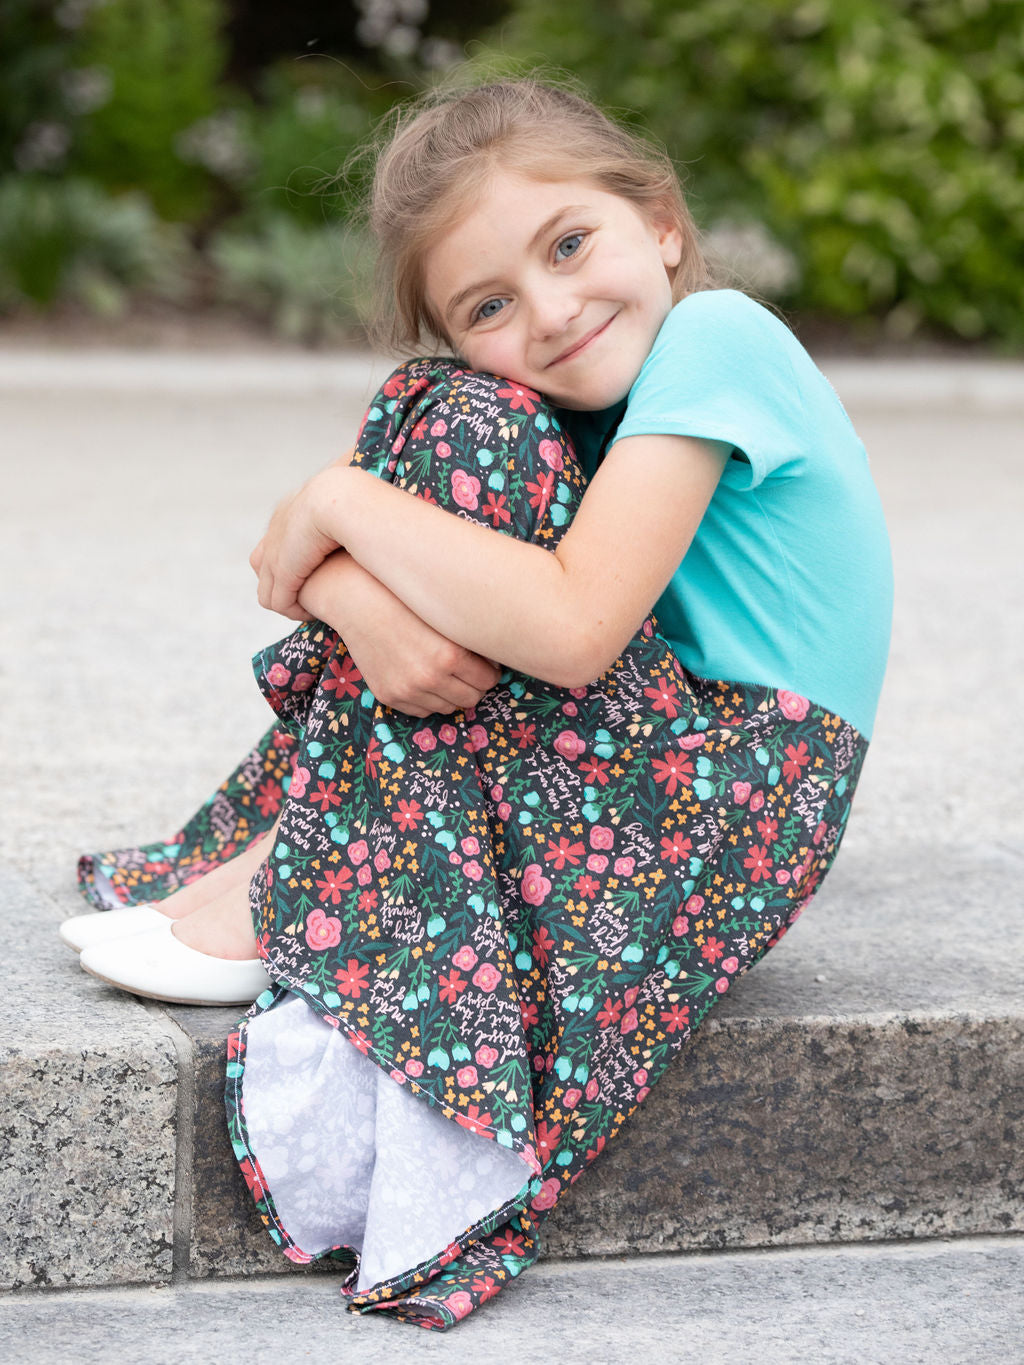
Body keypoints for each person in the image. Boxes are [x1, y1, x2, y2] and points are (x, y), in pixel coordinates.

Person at [63, 78, 892, 1328]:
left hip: (745, 790)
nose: (551, 313)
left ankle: (308, 871)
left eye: (570, 245)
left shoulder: (720, 338)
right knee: (448, 412)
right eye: (488, 305)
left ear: (660, 221)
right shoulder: (560, 404)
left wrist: (339, 510)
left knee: (454, 432)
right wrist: (364, 604)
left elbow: (566, 629)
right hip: (657, 754)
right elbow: (336, 574)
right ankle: (310, 858)